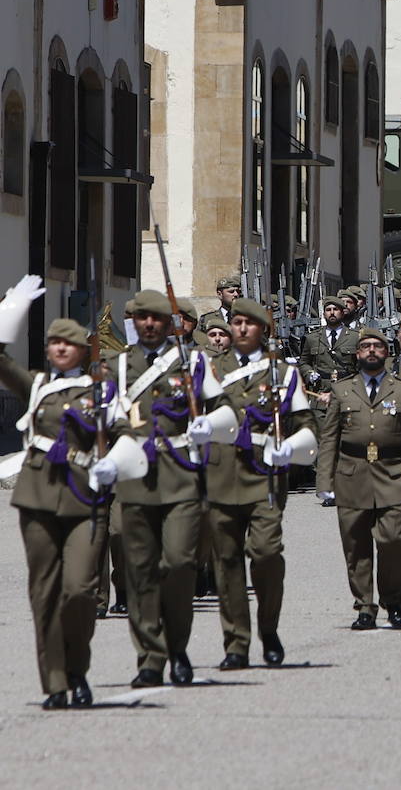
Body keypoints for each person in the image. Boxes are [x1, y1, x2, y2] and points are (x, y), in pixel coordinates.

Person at [0, 281, 144, 710]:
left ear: (84, 350)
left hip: (86, 498)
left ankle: (78, 666)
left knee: (80, 589)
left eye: (69, 343)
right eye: (54, 344)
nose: (61, 349)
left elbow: (128, 437)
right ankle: (57, 682)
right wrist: (11, 311)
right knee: (44, 593)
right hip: (39, 497)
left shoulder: (103, 394)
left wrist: (111, 463)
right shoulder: (38, 386)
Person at [116, 290, 233, 688]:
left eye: (157, 318)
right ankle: (150, 656)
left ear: (170, 323)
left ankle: (178, 646)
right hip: (135, 476)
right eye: (143, 318)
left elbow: (226, 411)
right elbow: (105, 417)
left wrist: (208, 426)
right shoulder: (116, 366)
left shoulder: (193, 361)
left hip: (181, 474)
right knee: (141, 570)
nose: (149, 324)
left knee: (180, 564)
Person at [205, 299, 318, 670]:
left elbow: (305, 422)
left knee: (267, 553)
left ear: (262, 330)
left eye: (248, 324)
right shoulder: (209, 369)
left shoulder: (283, 373)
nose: (240, 329)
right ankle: (236, 642)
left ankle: (268, 629)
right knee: (227, 562)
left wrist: (291, 447)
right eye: (235, 322)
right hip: (221, 473)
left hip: (264, 474)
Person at [317, 328, 401, 629]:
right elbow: (329, 440)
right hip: (351, 475)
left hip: (393, 474)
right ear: (357, 354)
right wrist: (324, 483)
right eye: (365, 346)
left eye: (377, 347)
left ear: (386, 353)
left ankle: (393, 601)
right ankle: (365, 606)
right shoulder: (342, 390)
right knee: (356, 547)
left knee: (393, 541)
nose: (371, 351)